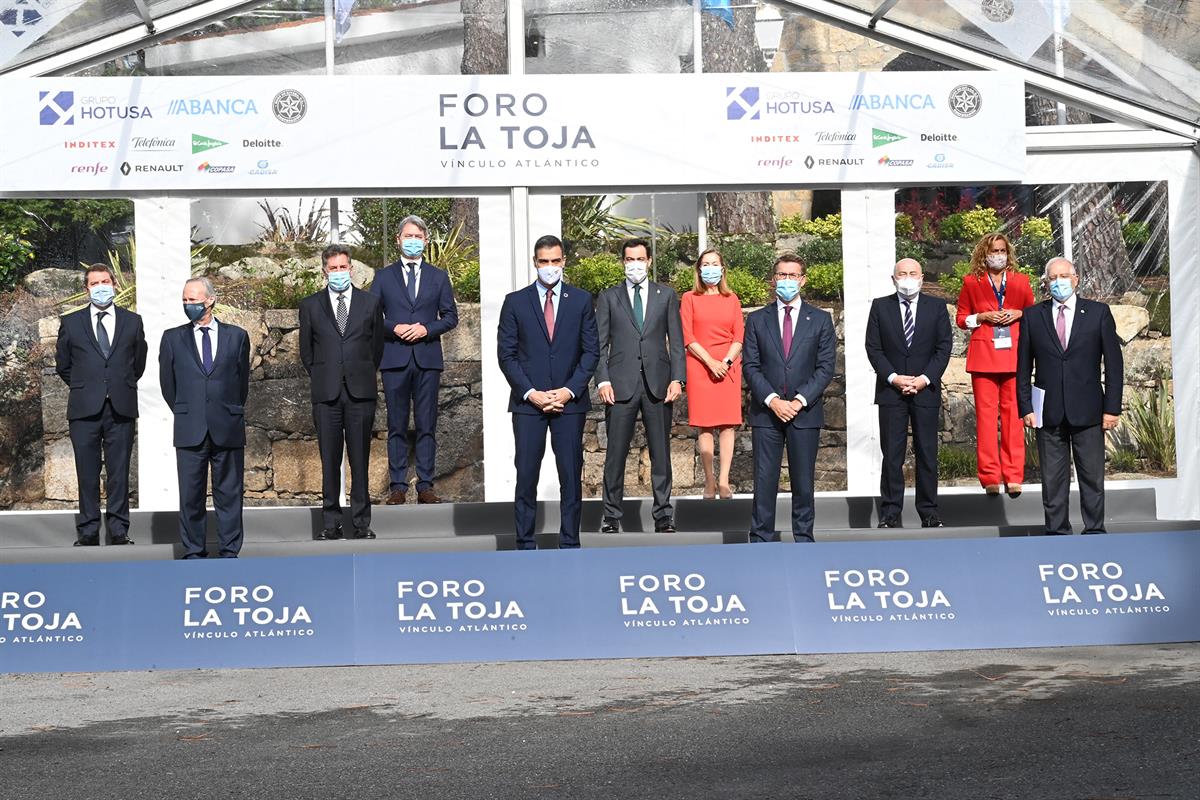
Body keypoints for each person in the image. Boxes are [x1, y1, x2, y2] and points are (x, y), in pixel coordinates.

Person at [497, 234, 599, 550]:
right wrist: (531, 392)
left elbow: (590, 352)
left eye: (555, 261)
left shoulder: (581, 301)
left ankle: (569, 542)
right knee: (526, 474)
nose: (550, 267)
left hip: (570, 405)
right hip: (529, 406)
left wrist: (568, 391)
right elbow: (507, 355)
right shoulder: (515, 301)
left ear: (564, 261)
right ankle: (525, 543)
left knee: (570, 475)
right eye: (544, 262)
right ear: (535, 263)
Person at [1018, 257, 1123, 535]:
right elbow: (1023, 367)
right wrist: (1025, 406)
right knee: (1052, 480)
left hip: (1089, 411)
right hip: (1048, 412)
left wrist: (1112, 409)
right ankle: (1057, 533)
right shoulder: (1032, 316)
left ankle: (1094, 532)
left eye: (1064, 276)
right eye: (1053, 278)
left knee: (1091, 477)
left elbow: (1114, 365)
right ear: (1046, 282)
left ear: (1076, 280)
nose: (1059, 282)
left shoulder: (1098, 313)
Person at [742, 254, 836, 542]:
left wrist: (797, 401)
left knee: (804, 481)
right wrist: (772, 400)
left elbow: (825, 367)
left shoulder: (820, 320)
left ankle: (804, 538)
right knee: (764, 480)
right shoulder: (757, 320)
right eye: (781, 275)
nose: (786, 281)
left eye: (792, 275)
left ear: (803, 280)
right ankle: (761, 538)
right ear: (773, 281)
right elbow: (750, 365)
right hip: (766, 413)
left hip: (804, 413)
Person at [595, 238, 686, 533]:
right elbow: (599, 344)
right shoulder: (609, 297)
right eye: (629, 259)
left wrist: (677, 378)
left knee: (661, 454)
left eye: (640, 259)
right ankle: (611, 516)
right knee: (615, 455)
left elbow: (677, 342)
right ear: (623, 262)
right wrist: (603, 379)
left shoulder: (666, 296)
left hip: (658, 385)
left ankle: (663, 516)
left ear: (649, 261)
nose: (635, 264)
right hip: (619, 386)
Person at [55, 263, 147, 547]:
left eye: (106, 281)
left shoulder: (132, 321)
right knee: (87, 472)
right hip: (84, 409)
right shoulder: (71, 322)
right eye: (95, 283)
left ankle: (119, 531)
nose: (101, 287)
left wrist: (116, 384)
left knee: (119, 472)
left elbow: (138, 362)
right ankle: (88, 530)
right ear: (87, 289)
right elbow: (63, 365)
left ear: (115, 285)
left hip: (121, 406)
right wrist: (89, 386)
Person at [158, 278, 250, 559]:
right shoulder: (172, 338)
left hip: (227, 425)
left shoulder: (237, 336)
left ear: (210, 300)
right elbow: (168, 385)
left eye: (193, 299)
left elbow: (241, 383)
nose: (188, 305)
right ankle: (194, 551)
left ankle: (229, 550)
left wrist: (225, 409)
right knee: (190, 495)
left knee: (229, 495)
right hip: (190, 427)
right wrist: (189, 410)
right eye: (185, 300)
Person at [370, 215, 459, 505]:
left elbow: (450, 317)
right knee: (396, 425)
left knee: (426, 425)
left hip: (426, 359)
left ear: (426, 240)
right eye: (407, 236)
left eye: (417, 236)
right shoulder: (383, 277)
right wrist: (393, 327)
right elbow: (371, 315)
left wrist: (426, 328)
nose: (412, 241)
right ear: (398, 240)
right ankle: (397, 486)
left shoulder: (438, 276)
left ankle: (425, 486)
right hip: (394, 358)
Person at [299, 244, 385, 542]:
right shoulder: (310, 305)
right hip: (327, 394)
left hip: (360, 392)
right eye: (333, 268)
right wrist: (328, 375)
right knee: (329, 460)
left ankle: (361, 523)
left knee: (360, 460)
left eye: (343, 267)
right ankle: (331, 523)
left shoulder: (370, 303)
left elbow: (377, 349)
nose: (338, 272)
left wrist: (357, 372)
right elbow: (306, 352)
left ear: (352, 268)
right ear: (325, 271)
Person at [865, 258, 953, 529]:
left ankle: (929, 512)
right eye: (902, 274)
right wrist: (893, 377)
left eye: (912, 273)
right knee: (892, 454)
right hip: (891, 392)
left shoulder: (936, 307)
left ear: (922, 277)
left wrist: (925, 379)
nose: (907, 278)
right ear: (893, 279)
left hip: (925, 391)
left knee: (927, 452)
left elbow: (943, 347)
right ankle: (890, 513)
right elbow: (873, 348)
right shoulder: (881, 307)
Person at [956, 233, 1035, 496]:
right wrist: (982, 316)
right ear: (983, 253)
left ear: (1008, 252)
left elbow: (1034, 315)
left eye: (1001, 250)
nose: (998, 255)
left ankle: (1014, 475)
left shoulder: (1021, 281)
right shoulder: (971, 282)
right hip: (983, 358)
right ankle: (989, 476)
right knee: (986, 419)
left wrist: (1018, 313)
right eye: (993, 251)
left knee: (1014, 418)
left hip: (1014, 356)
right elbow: (961, 319)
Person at [680, 249, 744, 499]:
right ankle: (709, 481)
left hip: (728, 367)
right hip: (700, 366)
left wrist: (725, 362)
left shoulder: (732, 298)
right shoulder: (689, 298)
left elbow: (739, 336)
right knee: (704, 425)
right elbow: (688, 336)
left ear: (722, 269)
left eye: (714, 264)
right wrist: (710, 362)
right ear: (698, 270)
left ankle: (724, 480)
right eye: (705, 264)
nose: (710, 268)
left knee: (728, 425)